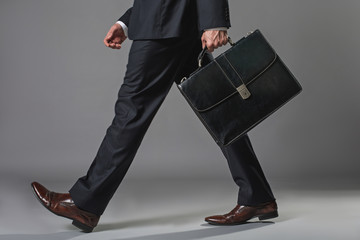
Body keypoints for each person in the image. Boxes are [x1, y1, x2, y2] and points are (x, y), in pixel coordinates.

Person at [31, 0, 277, 233]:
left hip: (163, 29)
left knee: (131, 113)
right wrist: (128, 22)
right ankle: (258, 196)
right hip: (171, 22)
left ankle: (84, 204)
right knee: (219, 110)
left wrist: (215, 21)